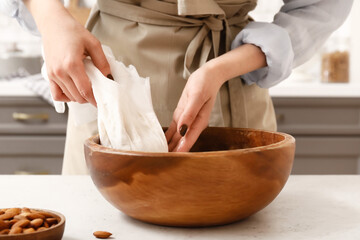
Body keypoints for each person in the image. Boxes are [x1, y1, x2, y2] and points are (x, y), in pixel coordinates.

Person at [0, 0, 353, 174]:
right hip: (111, 79)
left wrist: (222, 68)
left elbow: (322, 6)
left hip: (232, 75)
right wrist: (52, 20)